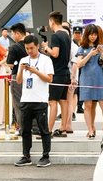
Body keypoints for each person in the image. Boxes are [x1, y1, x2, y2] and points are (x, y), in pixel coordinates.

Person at [14, 35, 54, 168]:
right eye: (27, 48)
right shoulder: (23, 60)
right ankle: (26, 156)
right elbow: (19, 81)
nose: (29, 51)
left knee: (43, 129)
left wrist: (35, 71)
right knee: (25, 130)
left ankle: (45, 156)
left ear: (37, 46)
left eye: (31, 48)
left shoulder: (46, 60)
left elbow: (49, 79)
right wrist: (20, 69)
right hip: (26, 99)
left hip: (40, 100)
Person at [76, 24, 103, 139]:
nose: (93, 37)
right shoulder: (82, 48)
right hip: (86, 79)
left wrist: (101, 52)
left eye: (95, 34)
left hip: (98, 78)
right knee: (88, 105)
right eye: (91, 34)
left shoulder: (101, 47)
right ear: (87, 35)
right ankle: (90, 130)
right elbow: (79, 64)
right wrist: (90, 54)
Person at [41, 11, 71, 136]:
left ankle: (48, 129)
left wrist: (46, 47)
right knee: (63, 101)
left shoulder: (56, 36)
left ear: (52, 21)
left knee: (53, 101)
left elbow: (55, 53)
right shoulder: (66, 35)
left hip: (57, 73)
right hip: (65, 72)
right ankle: (63, 128)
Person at [6, 23, 28, 132]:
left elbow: (9, 64)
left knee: (18, 103)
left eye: (13, 34)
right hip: (31, 76)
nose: (13, 36)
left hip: (17, 77)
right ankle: (32, 126)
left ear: (18, 34)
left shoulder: (14, 47)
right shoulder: (32, 44)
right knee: (29, 102)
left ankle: (22, 127)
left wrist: (15, 64)